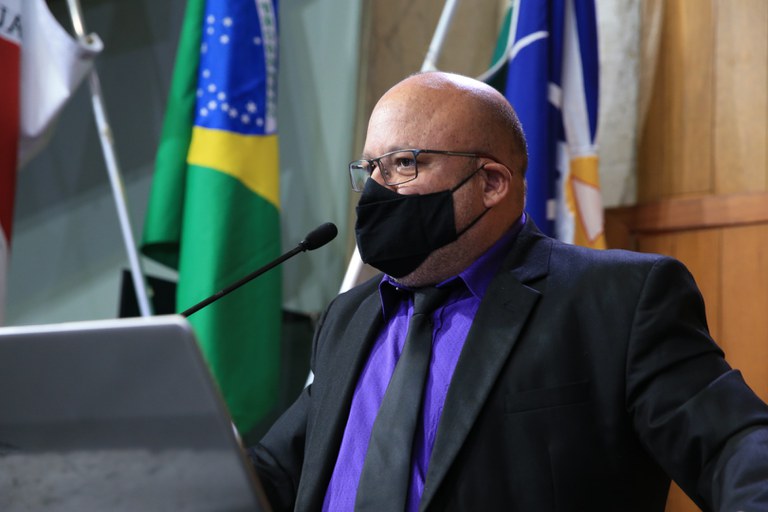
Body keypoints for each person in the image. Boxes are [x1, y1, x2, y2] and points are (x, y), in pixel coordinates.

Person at [249, 71, 768, 511]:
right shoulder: (349, 316)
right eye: (370, 168)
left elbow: (734, 447)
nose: (378, 190)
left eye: (404, 164)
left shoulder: (620, 300)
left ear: (491, 183)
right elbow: (275, 471)